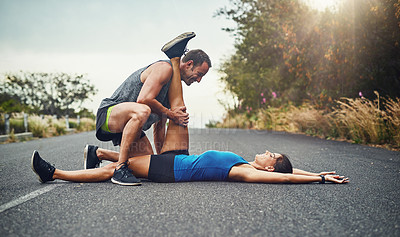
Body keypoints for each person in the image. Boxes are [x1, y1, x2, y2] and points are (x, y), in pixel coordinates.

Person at [31, 50, 349, 185]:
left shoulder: (246, 173)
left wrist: (317, 180)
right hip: (175, 158)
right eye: (271, 152)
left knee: (119, 168)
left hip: (169, 170)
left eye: (271, 156)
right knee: (180, 117)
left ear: (268, 168)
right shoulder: (245, 161)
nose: (267, 154)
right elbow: (287, 169)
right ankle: (175, 52)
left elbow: (283, 175)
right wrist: (316, 171)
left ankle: (55, 173)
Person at [89, 32, 212, 186]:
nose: (199, 80)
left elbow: (159, 128)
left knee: (146, 163)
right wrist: (171, 114)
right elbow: (143, 99)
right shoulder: (165, 68)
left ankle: (98, 153)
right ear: (188, 64)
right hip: (110, 114)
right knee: (143, 110)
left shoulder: (171, 91)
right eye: (199, 74)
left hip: (130, 125)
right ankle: (119, 169)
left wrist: (162, 159)